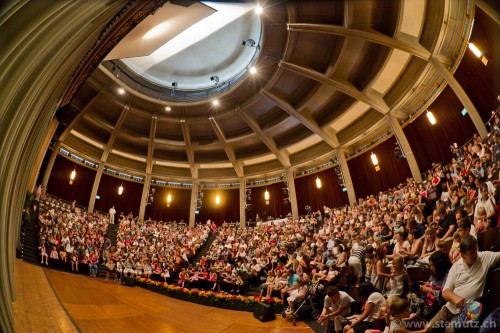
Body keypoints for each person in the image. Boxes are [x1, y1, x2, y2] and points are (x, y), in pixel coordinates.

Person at [424, 236, 500, 333]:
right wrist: (455, 298)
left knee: (449, 331)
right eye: (471, 253)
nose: (475, 255)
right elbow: (445, 292)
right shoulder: (456, 267)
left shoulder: (484, 257)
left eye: (475, 251)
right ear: (463, 255)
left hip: (468, 310)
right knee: (428, 328)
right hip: (450, 307)